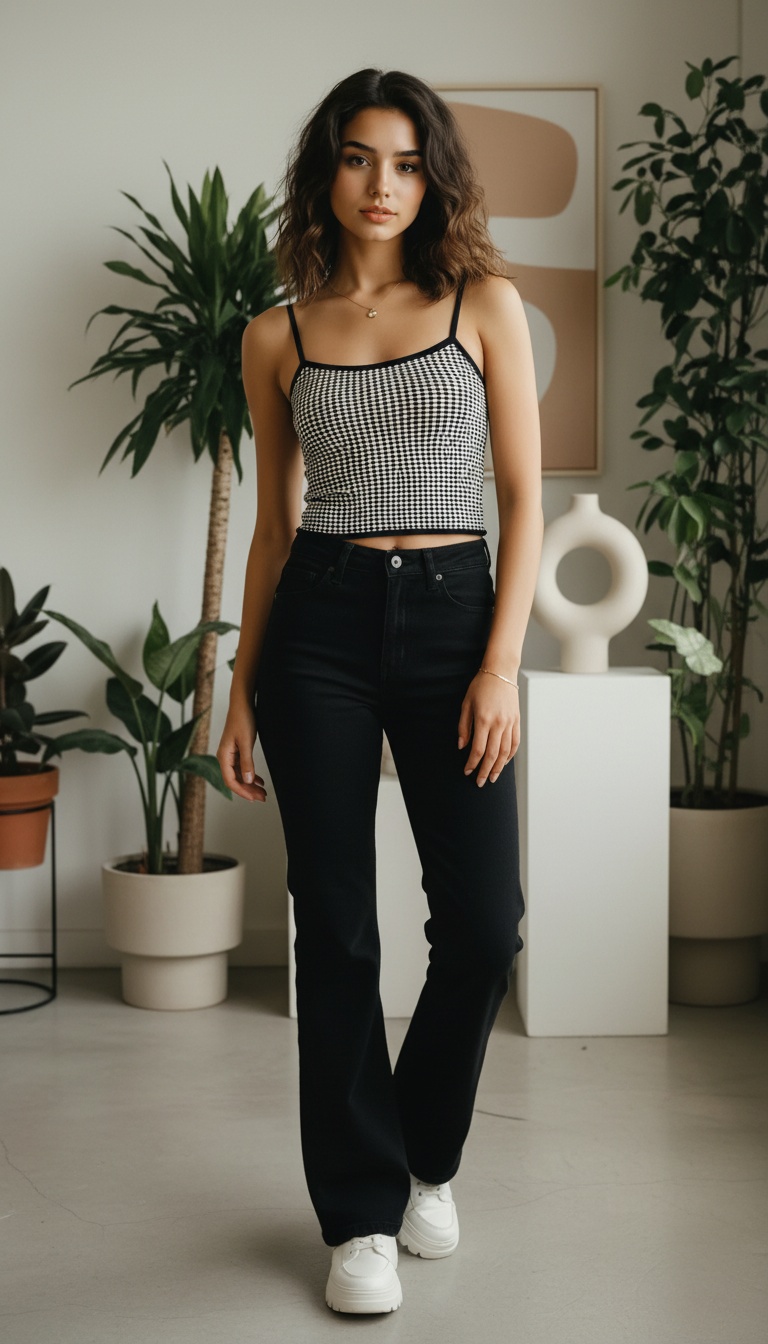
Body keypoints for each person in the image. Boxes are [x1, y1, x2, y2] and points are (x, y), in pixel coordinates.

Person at [216, 67, 543, 1316]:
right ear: (328, 172)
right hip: (320, 631)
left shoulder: (484, 305)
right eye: (359, 159)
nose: (382, 185)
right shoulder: (276, 334)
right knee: (337, 929)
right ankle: (358, 1215)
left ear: (433, 176)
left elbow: (522, 500)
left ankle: (426, 1154)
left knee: (482, 924)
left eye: (405, 163)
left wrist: (500, 666)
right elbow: (271, 526)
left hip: (458, 619)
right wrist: (241, 692)